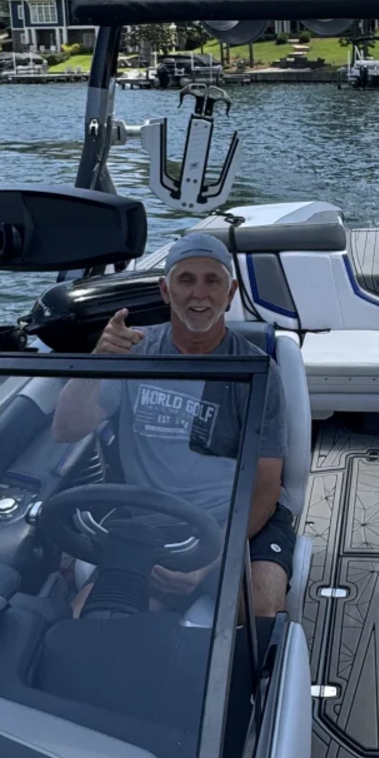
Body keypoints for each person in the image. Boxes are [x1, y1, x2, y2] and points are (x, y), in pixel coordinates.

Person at [51, 232, 293, 619]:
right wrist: (96, 363)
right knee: (90, 617)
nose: (199, 294)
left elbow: (266, 486)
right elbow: (66, 429)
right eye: (186, 280)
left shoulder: (259, 369)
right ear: (166, 291)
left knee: (261, 607)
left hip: (234, 521)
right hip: (149, 520)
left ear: (230, 293)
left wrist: (212, 561)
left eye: (212, 281)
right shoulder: (133, 351)